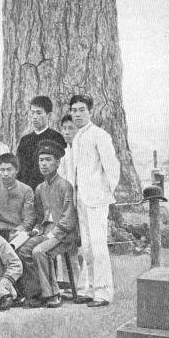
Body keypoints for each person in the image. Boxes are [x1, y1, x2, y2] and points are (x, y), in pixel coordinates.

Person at [70, 94, 120, 307]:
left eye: (82, 110)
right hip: (81, 199)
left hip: (97, 199)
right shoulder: (77, 138)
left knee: (98, 246)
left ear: (90, 112)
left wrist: (103, 192)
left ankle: (103, 292)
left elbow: (112, 168)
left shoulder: (100, 135)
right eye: (74, 110)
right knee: (87, 247)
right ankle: (89, 289)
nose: (77, 114)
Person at [16, 140, 78, 308]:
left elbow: (68, 218)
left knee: (40, 251)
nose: (43, 164)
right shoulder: (40, 189)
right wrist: (36, 230)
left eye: (48, 160)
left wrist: (52, 234)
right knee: (23, 250)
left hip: (63, 235)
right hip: (45, 233)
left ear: (57, 163)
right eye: (41, 160)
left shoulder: (65, 186)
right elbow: (39, 217)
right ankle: (37, 291)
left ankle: (53, 294)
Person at [56, 114, 88, 301]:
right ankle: (70, 285)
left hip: (82, 205)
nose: (67, 132)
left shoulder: (83, 153)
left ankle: (84, 286)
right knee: (67, 247)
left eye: (71, 128)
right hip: (67, 206)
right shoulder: (64, 155)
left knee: (84, 247)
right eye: (64, 129)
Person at [16, 96, 66, 190]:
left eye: (39, 113)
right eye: (32, 113)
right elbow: (19, 169)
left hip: (50, 190)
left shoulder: (57, 138)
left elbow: (62, 169)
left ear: (49, 115)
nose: (34, 117)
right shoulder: (24, 140)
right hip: (27, 191)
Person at [0, 153, 34, 242]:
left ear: (16, 170)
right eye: (2, 170)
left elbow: (28, 220)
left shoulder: (26, 190)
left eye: (9, 170)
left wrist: (17, 232)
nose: (5, 174)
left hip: (18, 232)